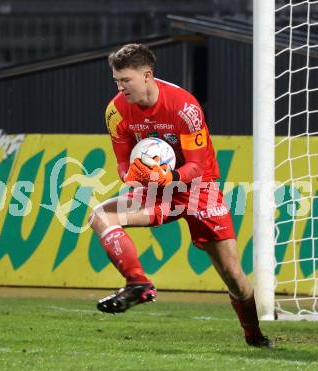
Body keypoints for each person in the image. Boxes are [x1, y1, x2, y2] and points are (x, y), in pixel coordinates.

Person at [89, 43, 273, 348]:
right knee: (101, 215)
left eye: (126, 80)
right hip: (158, 189)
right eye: (117, 81)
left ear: (147, 75)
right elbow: (123, 164)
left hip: (199, 189)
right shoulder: (115, 111)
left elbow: (197, 166)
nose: (120, 88)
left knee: (231, 273)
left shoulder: (183, 107)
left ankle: (254, 335)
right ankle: (138, 282)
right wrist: (134, 176)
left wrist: (168, 176)